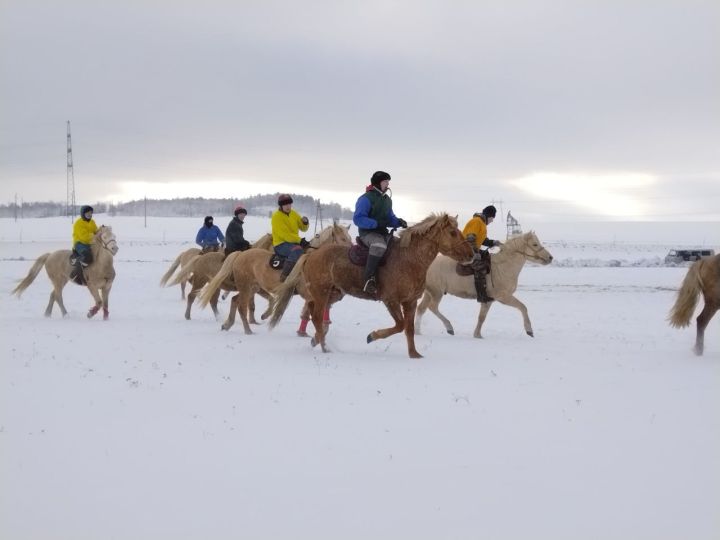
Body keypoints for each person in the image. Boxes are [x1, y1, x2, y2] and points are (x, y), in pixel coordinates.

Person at [353, 171, 408, 295]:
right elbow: (358, 219)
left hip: (383, 233)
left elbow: (390, 218)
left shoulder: (387, 200)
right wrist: (376, 223)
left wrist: (398, 222)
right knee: (379, 246)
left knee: (400, 246)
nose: (388, 184)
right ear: (378, 183)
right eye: (385, 181)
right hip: (367, 233)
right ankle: (368, 279)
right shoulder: (365, 199)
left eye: (388, 181)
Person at [462, 204, 503, 303]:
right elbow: (470, 237)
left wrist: (493, 242)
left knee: (487, 257)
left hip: (471, 248)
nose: (492, 221)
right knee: (480, 267)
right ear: (489, 216)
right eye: (492, 218)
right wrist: (474, 253)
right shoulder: (477, 221)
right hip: (465, 249)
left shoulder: (482, 224)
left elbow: (482, 240)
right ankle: (481, 296)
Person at [271, 194, 309, 280]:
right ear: (281, 206)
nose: (288, 206)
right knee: (297, 250)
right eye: (285, 204)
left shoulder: (294, 213)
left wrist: (305, 223)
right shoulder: (276, 216)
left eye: (289, 204)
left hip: (294, 242)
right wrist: (300, 240)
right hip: (280, 244)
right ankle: (285, 276)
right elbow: (284, 235)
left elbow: (303, 228)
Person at [71, 205, 99, 274]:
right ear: (83, 214)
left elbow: (96, 231)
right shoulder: (78, 223)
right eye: (87, 213)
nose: (89, 214)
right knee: (88, 256)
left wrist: (102, 230)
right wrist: (95, 236)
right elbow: (84, 237)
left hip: (90, 243)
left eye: (90, 213)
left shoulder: (92, 222)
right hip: (80, 243)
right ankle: (76, 273)